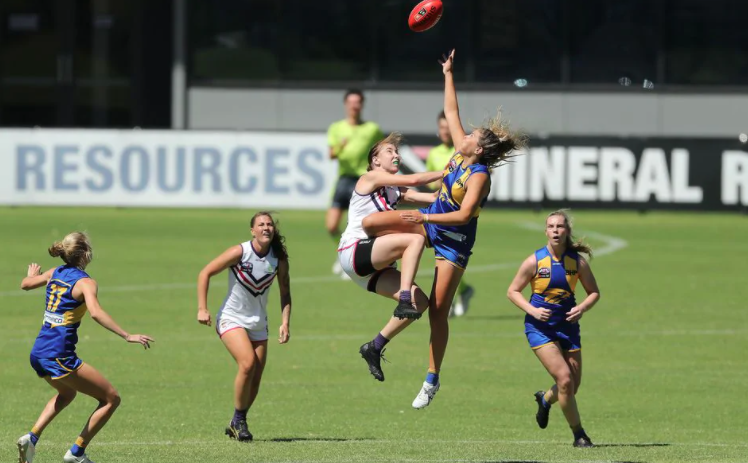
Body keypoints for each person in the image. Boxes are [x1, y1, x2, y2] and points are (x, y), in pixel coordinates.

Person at [362, 50, 527, 409]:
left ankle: (431, 378)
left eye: (471, 134)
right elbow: (451, 111)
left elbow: (464, 217)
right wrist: (448, 73)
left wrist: (424, 218)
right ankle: (359, 261)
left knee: (438, 312)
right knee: (372, 223)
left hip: (453, 242)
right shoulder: (458, 153)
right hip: (432, 223)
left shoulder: (479, 175)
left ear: (478, 148)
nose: (463, 133)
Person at [16, 232, 154, 463]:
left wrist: (31, 276)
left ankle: (32, 438)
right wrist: (126, 335)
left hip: (38, 352)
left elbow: (25, 284)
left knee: (67, 393)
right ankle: (76, 453)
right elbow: (97, 313)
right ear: (85, 254)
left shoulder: (54, 273)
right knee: (111, 398)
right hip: (59, 354)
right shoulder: (86, 283)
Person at [335, 133, 443, 381]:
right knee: (415, 239)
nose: (396, 155)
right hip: (354, 251)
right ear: (375, 160)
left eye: (397, 151)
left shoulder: (394, 190)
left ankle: (374, 346)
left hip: (372, 267)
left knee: (421, 304)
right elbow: (416, 178)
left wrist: (462, 185)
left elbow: (433, 198)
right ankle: (403, 296)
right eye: (390, 151)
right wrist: (447, 170)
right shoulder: (370, 178)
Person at [506, 210, 600, 448]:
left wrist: (582, 308)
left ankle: (546, 399)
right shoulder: (535, 261)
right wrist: (533, 311)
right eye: (551, 226)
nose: (555, 231)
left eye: (560, 226)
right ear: (545, 231)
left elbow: (594, 293)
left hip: (568, 327)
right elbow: (512, 291)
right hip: (540, 328)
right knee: (565, 380)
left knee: (572, 386)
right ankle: (579, 435)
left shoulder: (577, 263)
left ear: (566, 231)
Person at [197, 212, 292, 443]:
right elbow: (205, 273)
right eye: (261, 224)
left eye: (269, 224)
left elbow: (285, 292)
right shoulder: (240, 252)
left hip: (258, 323)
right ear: (252, 230)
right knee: (247, 364)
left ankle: (237, 421)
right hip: (231, 318)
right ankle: (240, 421)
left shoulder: (278, 259)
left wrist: (285, 322)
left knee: (256, 378)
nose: (266, 228)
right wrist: (202, 308)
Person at [327, 89, 385, 278]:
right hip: (344, 179)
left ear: (362, 104)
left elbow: (383, 150)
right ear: (346, 104)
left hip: (363, 181)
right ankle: (342, 252)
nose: (354, 106)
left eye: (358, 102)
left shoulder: (372, 129)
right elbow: (331, 154)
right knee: (332, 225)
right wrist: (340, 146)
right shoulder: (336, 127)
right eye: (351, 102)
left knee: (358, 225)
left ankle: (353, 260)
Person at [426, 111, 475, 318]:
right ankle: (460, 293)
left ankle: (455, 295)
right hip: (440, 208)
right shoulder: (434, 153)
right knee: (441, 256)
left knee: (449, 255)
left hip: (457, 214)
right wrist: (440, 180)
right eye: (442, 128)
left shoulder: (462, 149)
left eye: (448, 127)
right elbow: (429, 183)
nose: (445, 131)